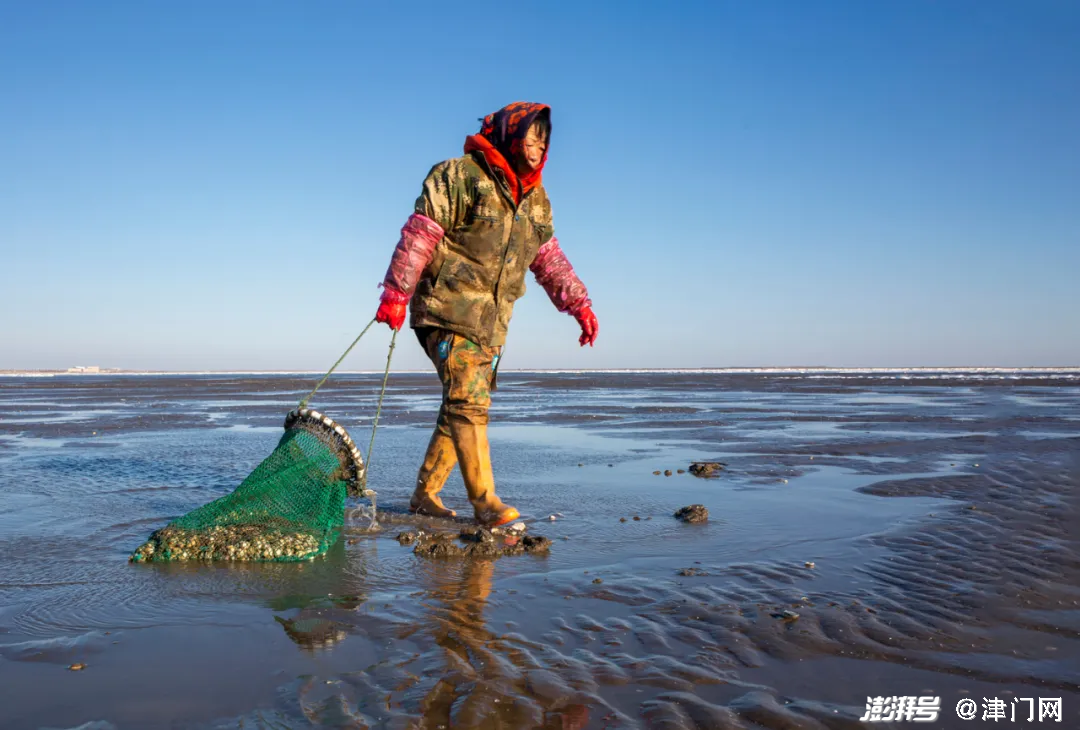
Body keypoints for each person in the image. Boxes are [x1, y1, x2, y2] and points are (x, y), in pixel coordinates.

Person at [373, 102, 597, 527]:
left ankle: (425, 495)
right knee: (469, 401)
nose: (536, 148)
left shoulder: (535, 199)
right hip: (446, 307)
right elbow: (421, 232)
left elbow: (548, 258)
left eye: (543, 140)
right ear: (511, 134)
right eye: (530, 137)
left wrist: (579, 304)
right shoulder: (459, 176)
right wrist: (396, 293)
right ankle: (486, 502)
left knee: (461, 402)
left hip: (491, 322)